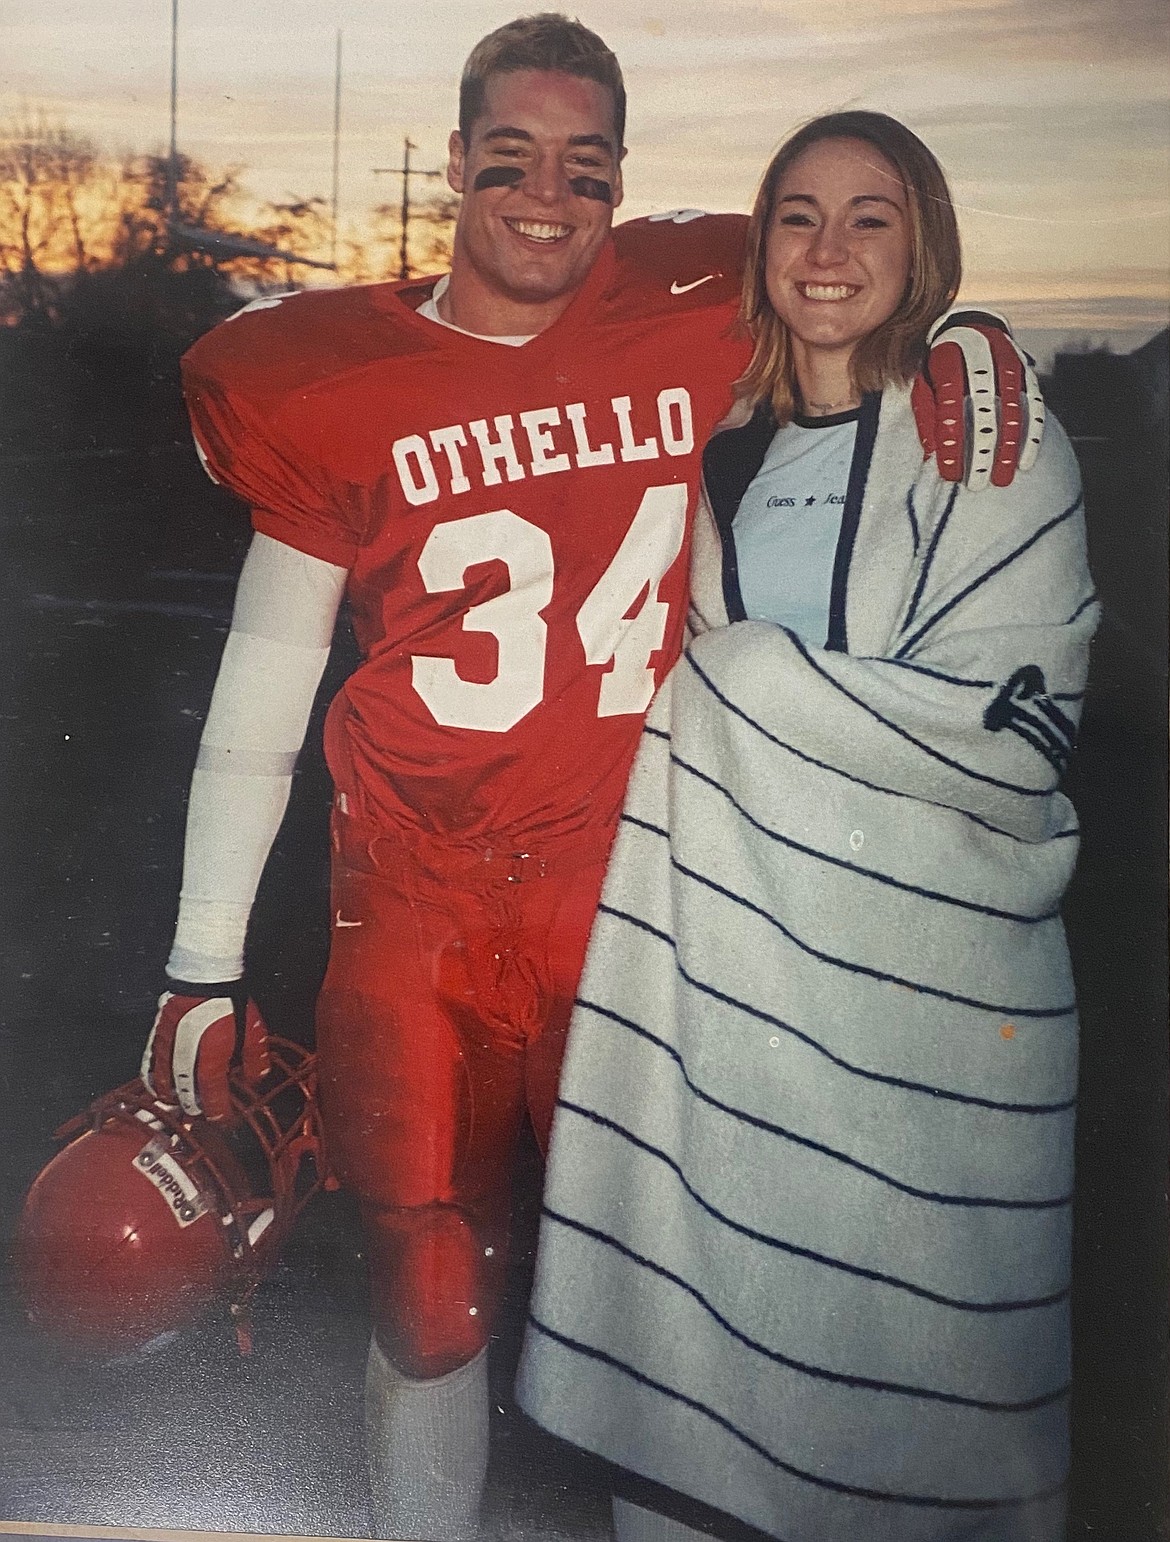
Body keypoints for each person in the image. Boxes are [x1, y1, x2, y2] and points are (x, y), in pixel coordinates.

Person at [133, 17, 1030, 1534]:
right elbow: (257, 703)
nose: (545, 195)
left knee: (671, 1304)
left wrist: (959, 332)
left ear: (620, 182)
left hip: (628, 883)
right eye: (510, 158)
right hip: (410, 899)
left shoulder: (687, 302)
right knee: (424, 1286)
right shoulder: (333, 376)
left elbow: (851, 270)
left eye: (584, 166)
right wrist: (199, 961)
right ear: (461, 163)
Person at [518, 111, 1096, 1542]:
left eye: (869, 217)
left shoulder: (986, 428)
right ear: (756, 244)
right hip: (745, 991)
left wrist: (748, 687)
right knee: (720, 1360)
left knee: (917, 1390)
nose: (827, 249)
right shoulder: (720, 453)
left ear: (923, 249)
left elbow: (1018, 718)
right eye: (795, 214)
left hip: (933, 998)